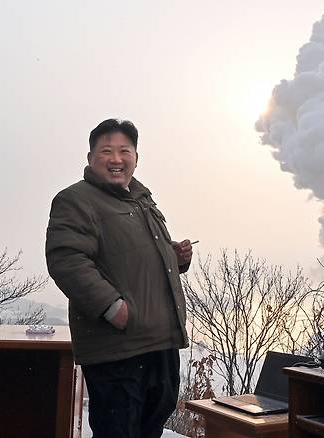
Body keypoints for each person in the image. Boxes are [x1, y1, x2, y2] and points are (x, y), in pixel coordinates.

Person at [45, 118, 192, 438]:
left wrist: (174, 257)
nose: (116, 158)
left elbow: (132, 255)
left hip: (160, 344)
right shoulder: (76, 199)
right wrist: (114, 308)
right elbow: (67, 260)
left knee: (150, 427)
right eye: (106, 151)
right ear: (90, 158)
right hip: (117, 348)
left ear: (136, 157)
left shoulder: (141, 200)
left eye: (124, 150)